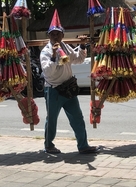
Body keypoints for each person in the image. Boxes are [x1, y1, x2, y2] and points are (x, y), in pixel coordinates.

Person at [40, 9, 99, 154]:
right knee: (52, 120)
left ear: (62, 35)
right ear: (49, 35)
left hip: (69, 89)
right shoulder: (46, 52)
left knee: (77, 118)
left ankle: (83, 145)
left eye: (58, 34)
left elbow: (78, 59)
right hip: (53, 90)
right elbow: (48, 72)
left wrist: (83, 46)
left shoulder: (65, 46)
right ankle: (48, 145)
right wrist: (54, 56)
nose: (55, 36)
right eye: (52, 34)